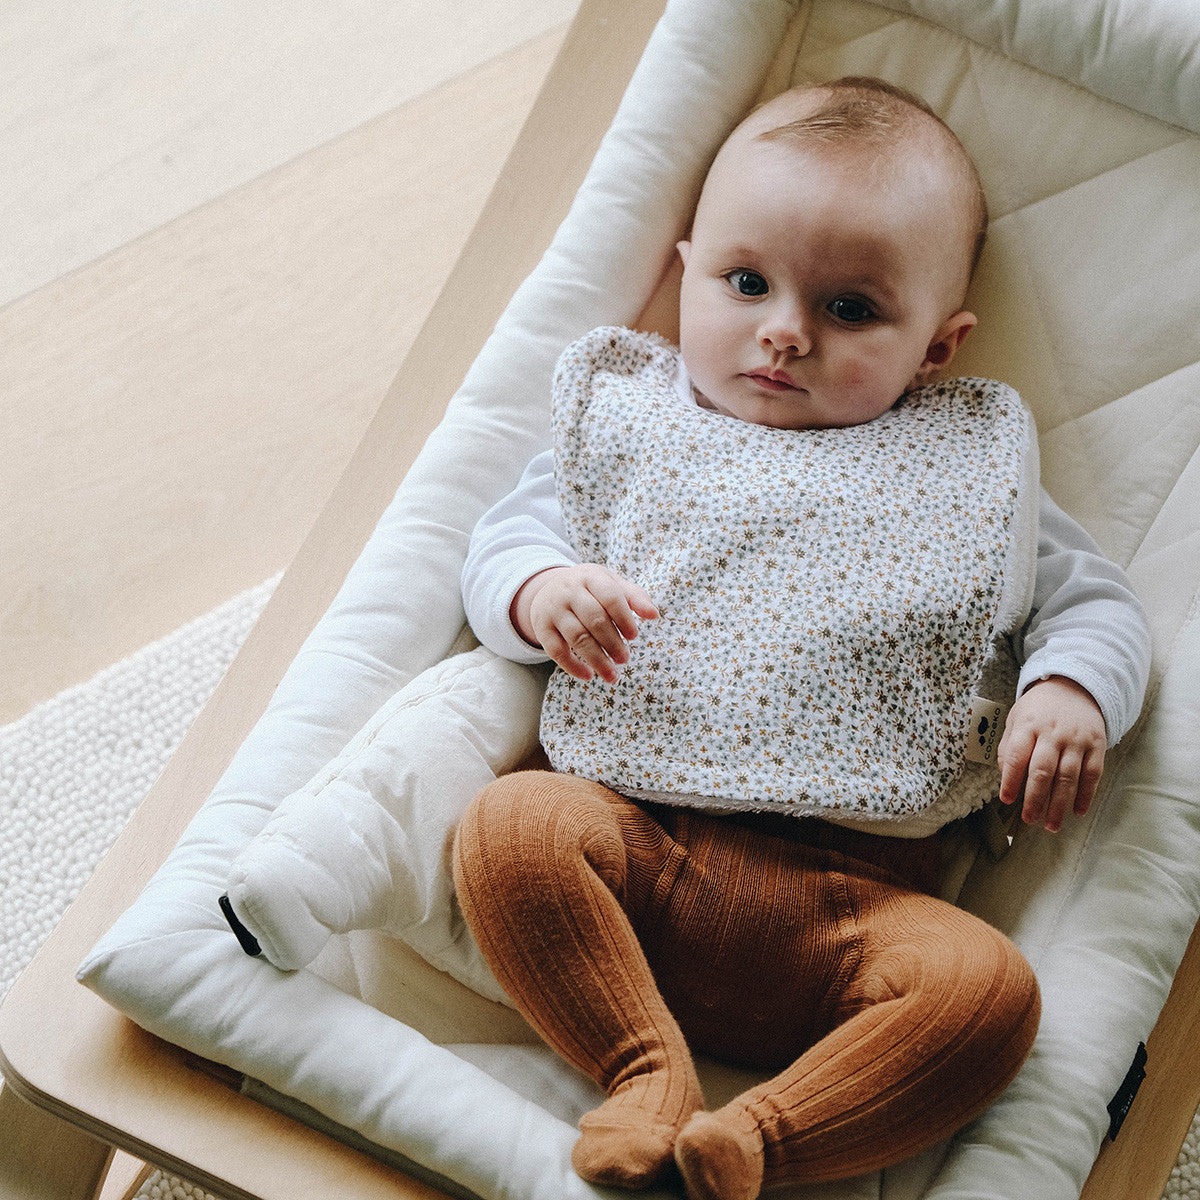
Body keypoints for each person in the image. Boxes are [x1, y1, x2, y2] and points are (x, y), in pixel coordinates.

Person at [453, 78, 1151, 1200]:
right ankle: (643, 1071)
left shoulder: (965, 476)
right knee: (508, 827)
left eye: (851, 310)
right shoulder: (639, 425)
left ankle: (762, 1141)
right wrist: (541, 592)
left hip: (862, 910)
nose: (783, 331)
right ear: (683, 272)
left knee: (991, 997)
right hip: (638, 839)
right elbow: (502, 542)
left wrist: (1069, 691)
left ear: (937, 349)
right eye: (744, 282)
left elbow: (1098, 606)